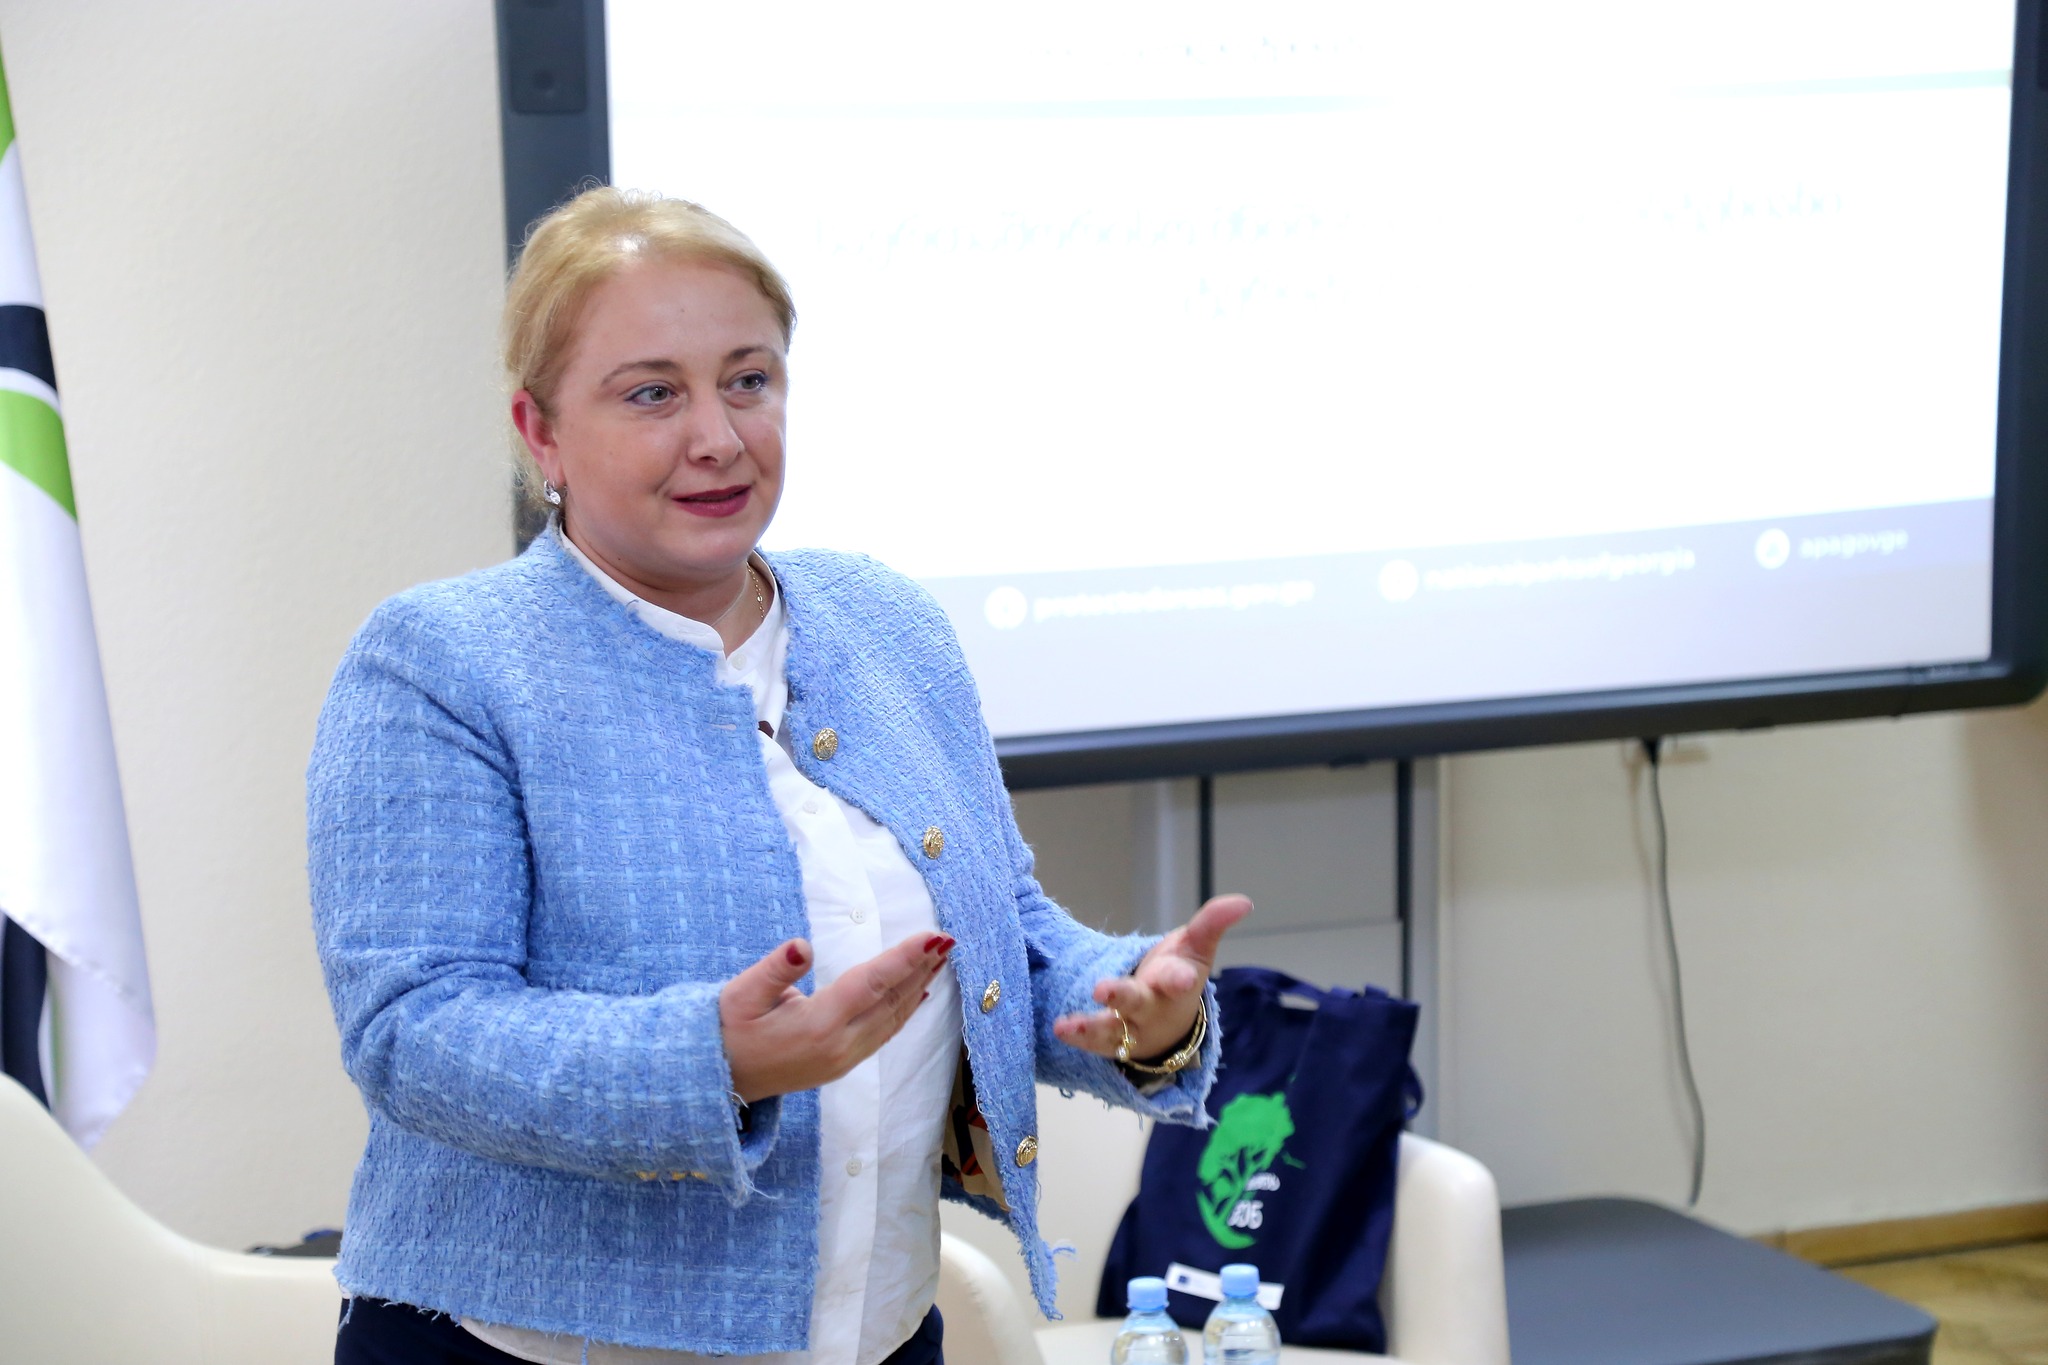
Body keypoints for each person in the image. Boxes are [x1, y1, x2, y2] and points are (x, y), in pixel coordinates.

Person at [307, 186, 1251, 1365]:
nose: (718, 436)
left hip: (877, 1333)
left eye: (747, 380)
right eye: (651, 393)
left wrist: (1132, 1007)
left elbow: (991, 930)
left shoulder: (884, 621)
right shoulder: (440, 662)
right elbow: (414, 1032)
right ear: (538, 431)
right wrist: (715, 1062)